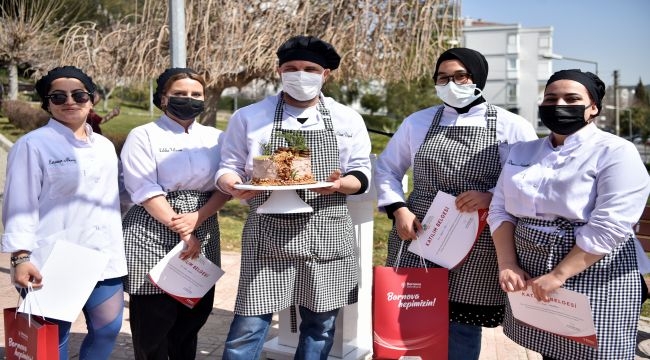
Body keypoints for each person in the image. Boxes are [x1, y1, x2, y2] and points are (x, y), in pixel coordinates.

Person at [375, 47, 538, 359]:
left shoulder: (512, 126)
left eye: (459, 76)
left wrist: (491, 196)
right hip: (419, 231)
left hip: (476, 239)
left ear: (477, 78)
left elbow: (529, 182)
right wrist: (398, 209)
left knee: (462, 323)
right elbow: (386, 169)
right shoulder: (417, 122)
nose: (451, 83)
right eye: (443, 77)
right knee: (411, 311)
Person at [216, 35, 372, 359]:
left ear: (325, 74)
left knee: (320, 327)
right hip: (268, 236)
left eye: (310, 68)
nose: (301, 74)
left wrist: (341, 184)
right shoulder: (248, 117)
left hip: (326, 235)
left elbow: (362, 173)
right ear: (278, 71)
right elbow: (227, 166)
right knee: (247, 327)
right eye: (292, 68)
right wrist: (233, 185)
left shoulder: (347, 119)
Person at [488, 69, 650, 359]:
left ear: (593, 108)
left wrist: (559, 275)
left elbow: (610, 224)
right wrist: (508, 263)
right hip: (531, 267)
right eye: (550, 98)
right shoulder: (523, 151)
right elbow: (500, 209)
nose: (559, 105)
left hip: (594, 269)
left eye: (571, 98)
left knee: (596, 351)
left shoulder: (616, 152)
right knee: (551, 349)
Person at [1, 66, 128, 359]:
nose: (70, 101)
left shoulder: (105, 146)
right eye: (58, 96)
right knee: (51, 340)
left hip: (103, 257)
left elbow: (119, 194)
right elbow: (20, 205)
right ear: (47, 104)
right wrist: (20, 257)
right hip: (54, 260)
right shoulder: (32, 145)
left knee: (108, 329)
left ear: (91, 99)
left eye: (79, 94)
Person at [120, 67, 230, 360]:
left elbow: (226, 184)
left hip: (204, 227)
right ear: (163, 98)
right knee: (153, 322)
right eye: (180, 94)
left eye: (196, 94)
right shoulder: (143, 135)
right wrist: (184, 230)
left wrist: (199, 218)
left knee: (193, 315)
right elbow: (144, 189)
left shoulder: (217, 138)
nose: (189, 99)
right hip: (151, 230)